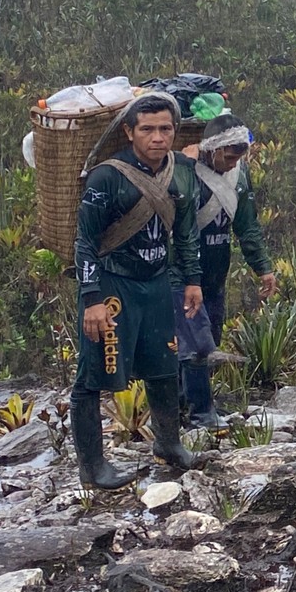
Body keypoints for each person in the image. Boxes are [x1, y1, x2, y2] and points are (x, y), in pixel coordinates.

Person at [71, 92, 204, 488]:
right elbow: (85, 242)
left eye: (165, 129)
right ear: (130, 132)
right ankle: (92, 465)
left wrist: (192, 279)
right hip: (113, 284)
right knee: (94, 375)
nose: (158, 137)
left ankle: (168, 443)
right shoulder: (106, 177)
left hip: (157, 283)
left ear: (175, 131)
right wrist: (91, 298)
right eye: (147, 129)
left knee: (164, 367)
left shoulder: (181, 171)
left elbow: (185, 232)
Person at [170, 112, 276, 427]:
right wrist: (191, 279)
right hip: (183, 277)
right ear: (212, 149)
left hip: (215, 276)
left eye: (238, 157)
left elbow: (247, 224)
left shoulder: (238, 178)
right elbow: (183, 232)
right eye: (228, 156)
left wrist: (263, 268)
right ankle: (201, 414)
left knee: (208, 339)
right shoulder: (185, 172)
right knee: (196, 346)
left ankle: (182, 405)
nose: (232, 163)